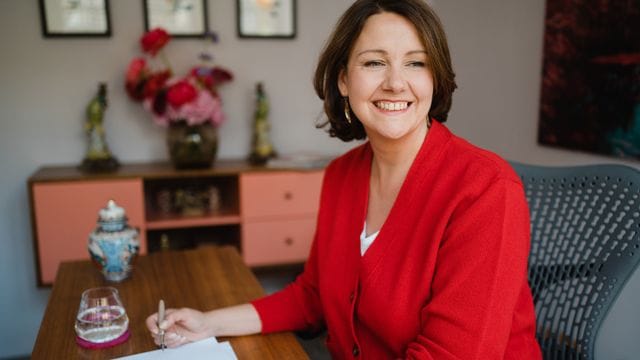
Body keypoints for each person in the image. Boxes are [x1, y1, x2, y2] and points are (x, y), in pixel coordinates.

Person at [146, 0, 542, 358]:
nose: (395, 82)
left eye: (416, 63)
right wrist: (209, 324)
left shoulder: (485, 188)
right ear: (343, 81)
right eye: (374, 63)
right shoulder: (341, 175)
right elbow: (313, 296)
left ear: (434, 78)